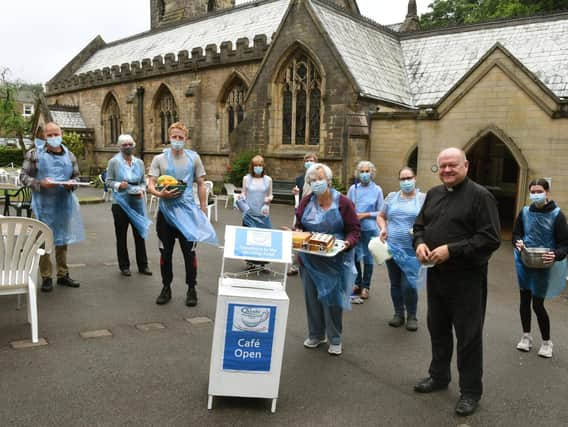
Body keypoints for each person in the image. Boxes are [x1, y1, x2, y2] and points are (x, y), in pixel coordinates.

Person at [412, 147, 500, 417]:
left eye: (453, 165)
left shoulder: (480, 197)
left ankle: (471, 391)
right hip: (436, 276)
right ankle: (439, 377)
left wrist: (452, 249)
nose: (447, 170)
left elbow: (490, 238)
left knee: (468, 337)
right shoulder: (434, 194)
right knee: (437, 330)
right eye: (443, 166)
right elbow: (419, 227)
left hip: (467, 279)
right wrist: (420, 243)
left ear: (466, 166)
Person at [147, 122, 217, 307]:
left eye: (181, 137)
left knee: (189, 253)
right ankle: (166, 287)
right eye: (174, 137)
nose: (177, 140)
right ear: (169, 137)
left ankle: (191, 289)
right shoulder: (159, 159)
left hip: (187, 213)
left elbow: (201, 183)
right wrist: (159, 194)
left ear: (186, 139)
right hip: (166, 215)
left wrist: (202, 208)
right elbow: (150, 184)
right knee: (165, 253)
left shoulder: (194, 158)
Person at [294, 163, 360, 356]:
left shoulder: (343, 202)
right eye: (313, 180)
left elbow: (355, 230)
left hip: (334, 260)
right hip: (309, 260)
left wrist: (347, 244)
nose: (317, 183)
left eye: (320, 179)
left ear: (329, 181)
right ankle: (316, 335)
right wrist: (294, 234)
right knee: (312, 300)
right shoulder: (306, 202)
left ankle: (335, 338)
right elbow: (299, 225)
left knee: (332, 301)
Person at [21, 122, 84, 292]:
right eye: (49, 135)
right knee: (42, 241)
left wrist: (72, 184)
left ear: (61, 133)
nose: (53, 138)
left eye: (56, 134)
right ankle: (46, 276)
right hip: (43, 205)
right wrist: (40, 183)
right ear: (44, 136)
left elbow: (77, 177)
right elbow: (24, 177)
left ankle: (63, 274)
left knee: (62, 240)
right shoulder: (34, 154)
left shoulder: (69, 155)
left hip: (63, 204)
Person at [513, 178, 568, 358]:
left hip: (543, 263)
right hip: (524, 260)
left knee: (537, 304)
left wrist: (556, 254)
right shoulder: (525, 212)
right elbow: (517, 233)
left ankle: (546, 342)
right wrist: (517, 242)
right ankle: (526, 336)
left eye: (539, 191)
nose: (536, 194)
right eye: (533, 191)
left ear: (547, 192)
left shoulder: (557, 215)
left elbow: (564, 244)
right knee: (524, 301)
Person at [377, 166, 425, 331]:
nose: (406, 182)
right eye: (403, 179)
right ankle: (398, 313)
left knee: (409, 284)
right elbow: (381, 216)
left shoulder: (422, 198)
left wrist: (422, 234)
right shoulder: (391, 197)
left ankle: (412, 315)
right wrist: (383, 228)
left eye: (409, 178)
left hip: (412, 251)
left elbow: (431, 219)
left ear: (415, 178)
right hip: (392, 248)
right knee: (395, 283)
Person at [106, 134, 152, 277]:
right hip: (120, 203)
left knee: (140, 234)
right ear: (120, 147)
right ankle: (124, 266)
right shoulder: (114, 162)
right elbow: (108, 182)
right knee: (121, 236)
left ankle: (143, 265)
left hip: (136, 201)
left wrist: (142, 190)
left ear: (134, 145)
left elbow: (144, 182)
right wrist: (119, 185)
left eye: (130, 144)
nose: (128, 147)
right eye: (124, 145)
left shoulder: (139, 162)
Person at [347, 161, 383, 299]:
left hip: (370, 229)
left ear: (372, 173)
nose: (364, 174)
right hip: (355, 228)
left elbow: (381, 211)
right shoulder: (353, 189)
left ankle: (366, 286)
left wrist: (365, 215)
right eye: (362, 171)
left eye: (367, 171)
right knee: (355, 256)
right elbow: (348, 208)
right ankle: (357, 283)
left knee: (368, 258)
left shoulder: (377, 190)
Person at [236, 155, 273, 270]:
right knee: (250, 237)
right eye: (255, 165)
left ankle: (262, 263)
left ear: (263, 166)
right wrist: (240, 197)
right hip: (249, 213)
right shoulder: (246, 178)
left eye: (260, 165)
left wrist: (269, 199)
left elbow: (270, 194)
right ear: (252, 167)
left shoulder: (268, 180)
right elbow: (244, 193)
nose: (258, 167)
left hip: (263, 213)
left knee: (263, 238)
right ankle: (250, 261)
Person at [288, 152, 318, 275]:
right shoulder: (300, 179)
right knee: (296, 238)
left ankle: (312, 266)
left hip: (315, 213)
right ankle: (294, 265)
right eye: (306, 161)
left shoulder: (320, 178)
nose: (308, 163)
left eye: (311, 160)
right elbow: (299, 196)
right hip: (301, 212)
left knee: (313, 238)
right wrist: (295, 193)